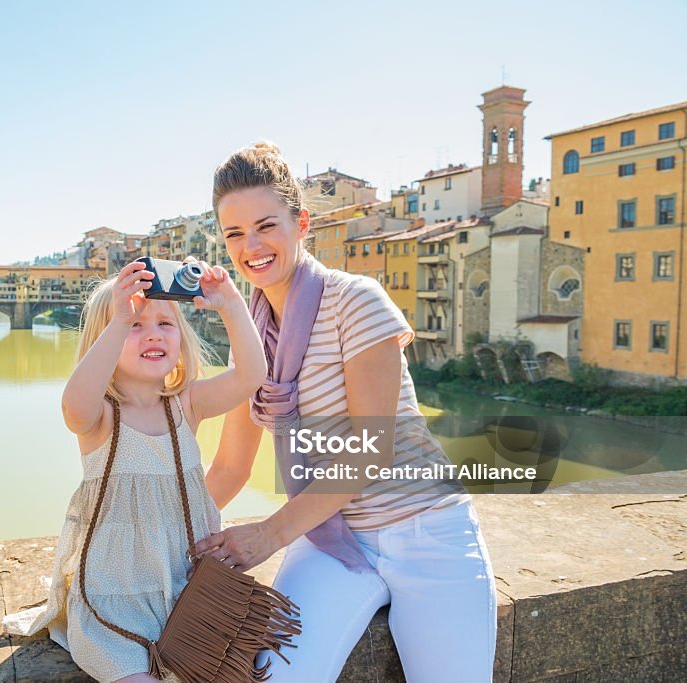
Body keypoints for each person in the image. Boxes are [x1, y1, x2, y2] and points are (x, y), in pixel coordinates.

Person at [193, 142, 497, 682]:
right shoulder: (252, 336)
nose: (252, 246)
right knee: (272, 677)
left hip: (426, 530)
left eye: (266, 226)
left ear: (301, 223)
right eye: (235, 234)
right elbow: (229, 469)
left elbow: (370, 453)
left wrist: (266, 536)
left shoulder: (357, 300)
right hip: (331, 537)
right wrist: (157, 535)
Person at [2, 259, 267, 682]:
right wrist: (120, 316)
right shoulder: (102, 416)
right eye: (135, 326)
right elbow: (73, 404)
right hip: (112, 599)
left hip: (186, 589)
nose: (154, 333)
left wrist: (233, 305)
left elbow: (253, 374)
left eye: (166, 323)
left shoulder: (186, 405)